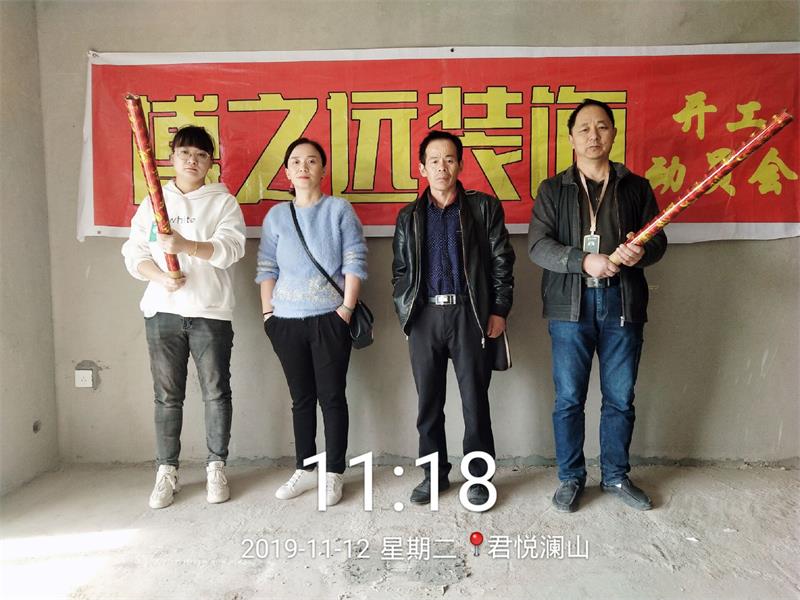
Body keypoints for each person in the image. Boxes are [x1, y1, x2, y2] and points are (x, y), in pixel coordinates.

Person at [528, 99, 667, 512]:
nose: (594, 135)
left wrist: (641, 252)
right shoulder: (552, 190)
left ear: (614, 134)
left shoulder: (635, 187)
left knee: (620, 397)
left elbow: (658, 240)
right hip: (569, 307)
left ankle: (616, 476)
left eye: (602, 127)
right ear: (571, 138)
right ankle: (571, 477)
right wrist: (582, 260)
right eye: (584, 128)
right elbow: (538, 246)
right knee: (569, 399)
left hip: (622, 304)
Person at [122, 125, 246, 509]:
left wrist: (186, 245)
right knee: (167, 397)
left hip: (210, 313)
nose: (192, 160)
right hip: (163, 312)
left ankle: (216, 466)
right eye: (185, 153)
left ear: (211, 162)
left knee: (216, 392)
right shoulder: (154, 202)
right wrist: (161, 277)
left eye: (201, 155)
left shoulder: (223, 203)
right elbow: (134, 253)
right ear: (171, 158)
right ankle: (167, 471)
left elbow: (231, 249)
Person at [392, 130, 515, 506]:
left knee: (475, 403)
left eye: (449, 159)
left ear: (460, 165)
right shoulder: (409, 216)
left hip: (470, 314)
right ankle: (433, 476)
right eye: (434, 160)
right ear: (422, 168)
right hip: (425, 316)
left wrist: (499, 309)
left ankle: (478, 478)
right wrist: (407, 316)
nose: (441, 167)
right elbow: (400, 271)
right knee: (428, 404)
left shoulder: (483, 207)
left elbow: (502, 261)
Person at [256, 137, 367, 507]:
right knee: (301, 399)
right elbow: (267, 267)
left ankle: (334, 472)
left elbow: (354, 261)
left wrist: (346, 310)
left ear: (322, 169)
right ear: (287, 172)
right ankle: (306, 468)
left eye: (312, 161)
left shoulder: (338, 210)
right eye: (296, 161)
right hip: (286, 321)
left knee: (332, 397)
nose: (303, 167)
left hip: (329, 319)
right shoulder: (276, 216)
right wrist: (268, 314)